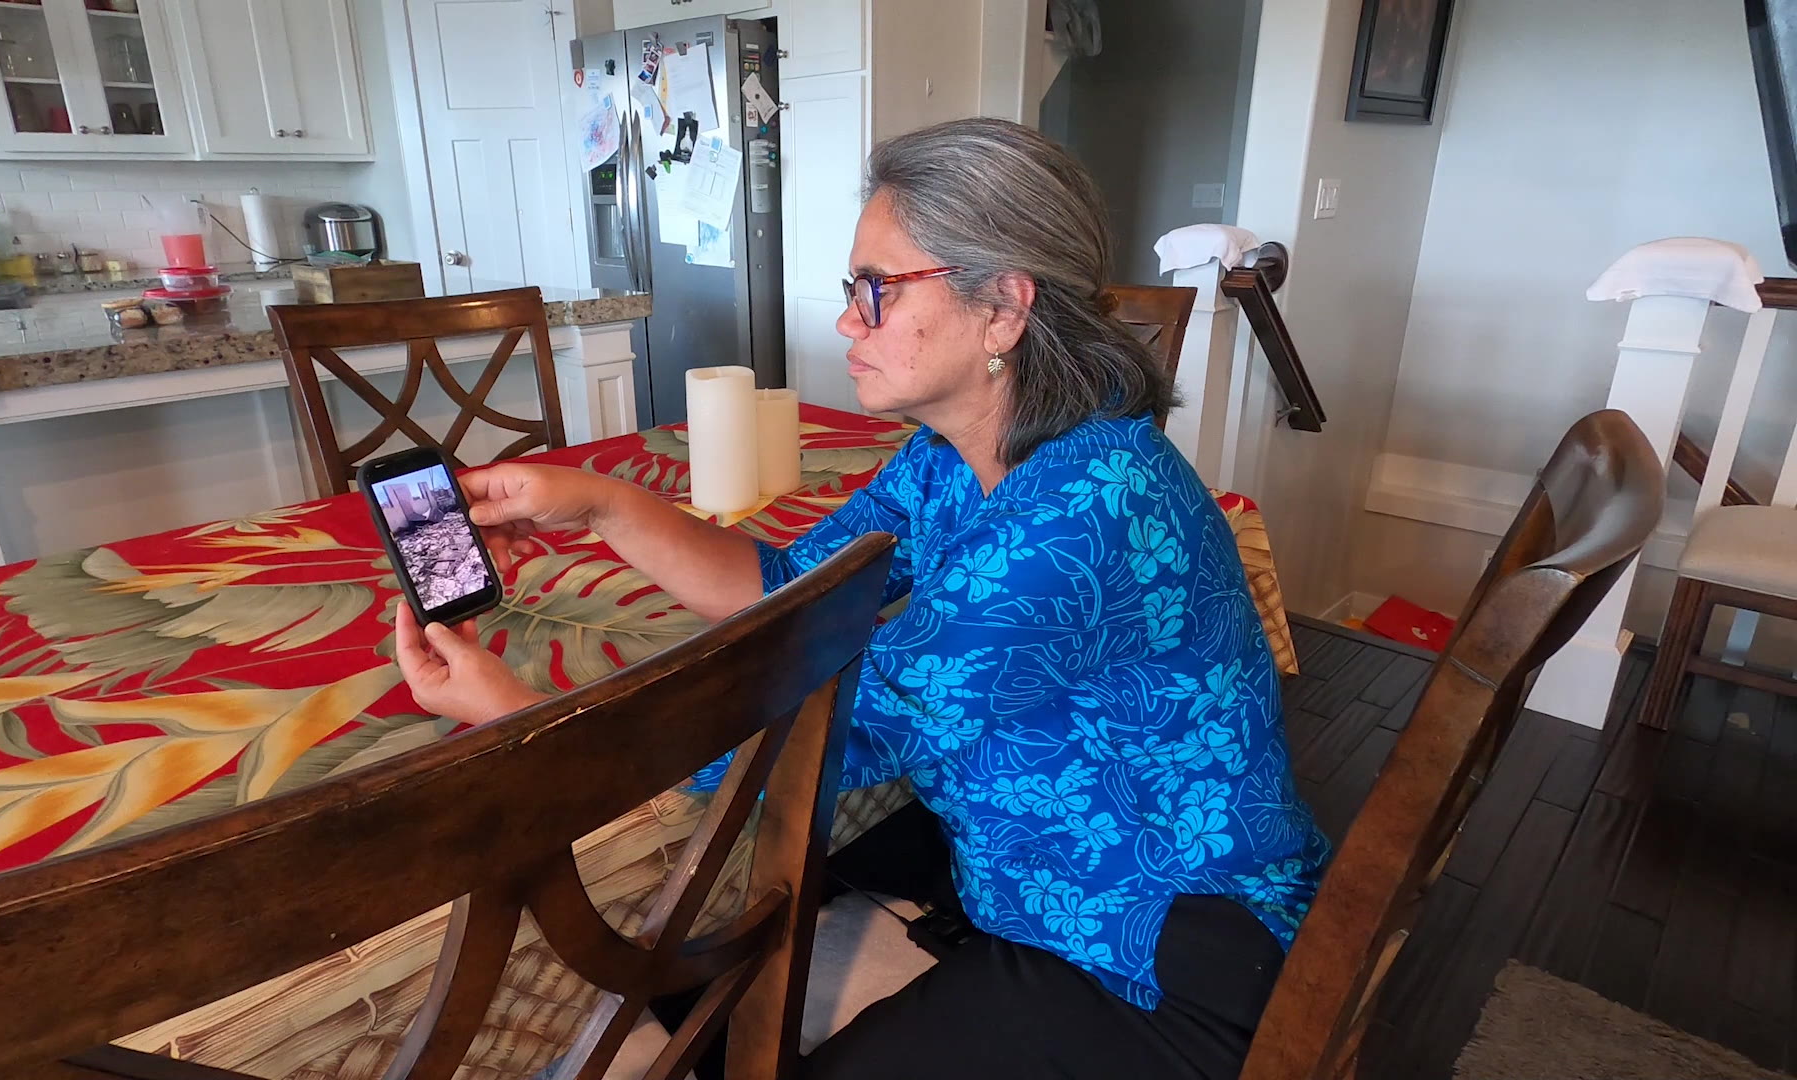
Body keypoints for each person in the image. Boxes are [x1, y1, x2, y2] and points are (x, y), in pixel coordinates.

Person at [392, 117, 1330, 1080]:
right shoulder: (954, 458)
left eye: (876, 289)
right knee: (701, 976)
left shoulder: (1083, 513)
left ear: (1004, 309)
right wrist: (598, 503)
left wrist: (518, 716)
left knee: (712, 992)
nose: (848, 320)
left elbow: (801, 736)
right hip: (1039, 881)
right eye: (854, 289)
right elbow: (788, 593)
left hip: (1159, 953)